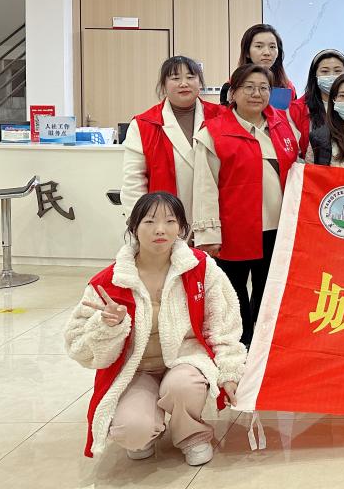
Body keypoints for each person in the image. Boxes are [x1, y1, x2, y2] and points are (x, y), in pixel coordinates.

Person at [64, 191, 245, 466]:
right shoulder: (110, 281)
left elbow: (224, 324)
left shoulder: (200, 268)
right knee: (132, 432)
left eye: (170, 221)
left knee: (184, 386)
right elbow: (77, 345)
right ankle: (148, 429)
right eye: (149, 221)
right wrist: (108, 327)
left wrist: (230, 372)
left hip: (185, 360)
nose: (160, 230)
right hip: (136, 369)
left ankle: (192, 435)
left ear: (181, 227)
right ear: (134, 227)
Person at [192, 64, 299, 347]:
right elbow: (204, 187)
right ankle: (239, 346)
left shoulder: (282, 126)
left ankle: (263, 345)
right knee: (233, 291)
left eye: (263, 88)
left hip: (276, 228)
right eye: (248, 87)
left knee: (269, 289)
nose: (256, 94)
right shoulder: (213, 132)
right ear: (233, 93)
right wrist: (208, 233)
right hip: (233, 228)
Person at [121, 56, 223, 223]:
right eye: (175, 78)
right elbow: (133, 182)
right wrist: (141, 224)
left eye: (190, 77)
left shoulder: (221, 117)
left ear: (200, 82)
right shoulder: (143, 124)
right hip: (163, 223)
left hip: (215, 221)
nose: (184, 83)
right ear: (163, 85)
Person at [289, 49, 344, 156]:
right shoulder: (296, 109)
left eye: (337, 71)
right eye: (325, 71)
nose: (332, 76)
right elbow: (292, 152)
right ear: (315, 75)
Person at [218, 23, 296, 105]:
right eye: (259, 46)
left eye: (272, 47)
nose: (267, 52)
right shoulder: (232, 85)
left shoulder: (287, 87)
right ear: (247, 52)